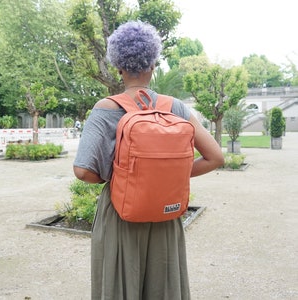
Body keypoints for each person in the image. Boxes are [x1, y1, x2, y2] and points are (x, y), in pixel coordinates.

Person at [73, 20, 224, 300]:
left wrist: (126, 176)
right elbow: (215, 156)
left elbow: (83, 171)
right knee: (163, 285)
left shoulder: (106, 108)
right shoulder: (175, 107)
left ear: (119, 67)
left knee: (119, 283)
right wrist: (166, 176)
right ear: (153, 65)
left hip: (121, 212)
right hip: (166, 211)